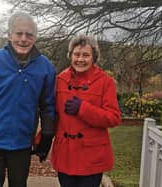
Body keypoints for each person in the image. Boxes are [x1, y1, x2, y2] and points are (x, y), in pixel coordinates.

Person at [0, 12, 56, 187]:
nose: (23, 39)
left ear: (35, 37)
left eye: (29, 34)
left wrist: (47, 135)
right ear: (9, 35)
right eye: (18, 33)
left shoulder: (45, 68)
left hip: (22, 143)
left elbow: (48, 105)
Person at [51, 34, 121, 187]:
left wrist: (83, 109)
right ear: (70, 56)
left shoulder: (105, 82)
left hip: (91, 156)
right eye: (76, 54)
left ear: (93, 57)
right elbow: (54, 115)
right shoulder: (60, 80)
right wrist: (42, 140)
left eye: (86, 55)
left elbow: (113, 118)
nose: (80, 59)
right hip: (65, 154)